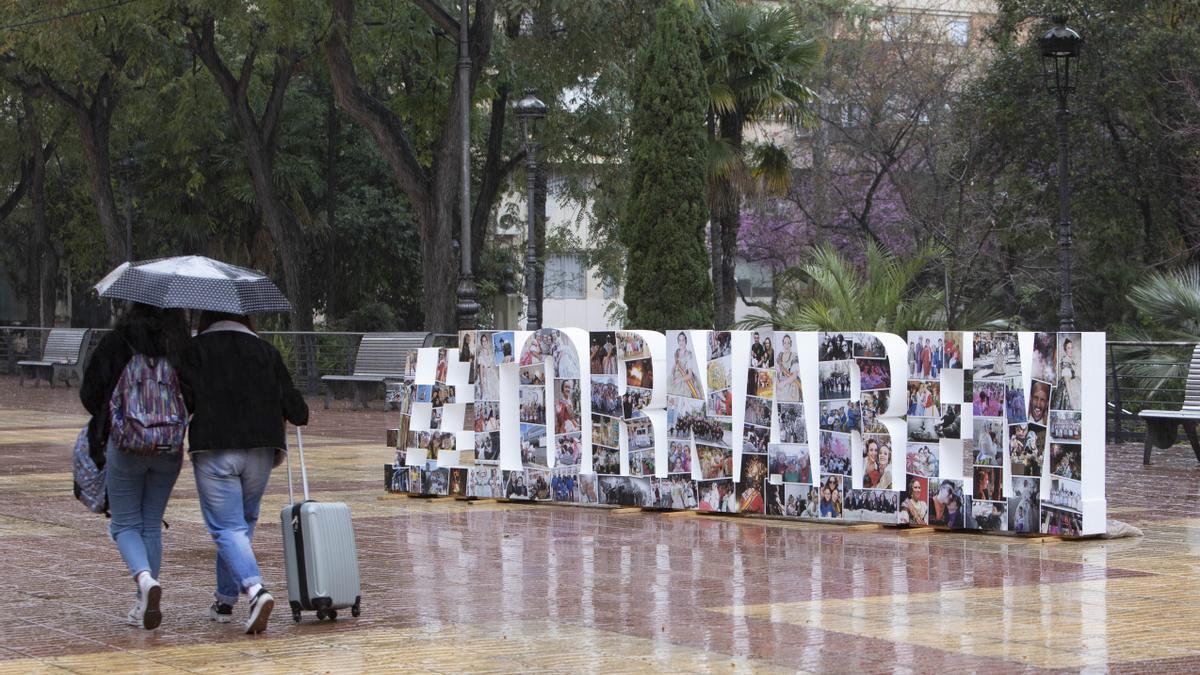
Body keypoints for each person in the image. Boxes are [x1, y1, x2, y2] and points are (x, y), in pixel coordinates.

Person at [178, 311, 309, 634]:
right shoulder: (266, 351)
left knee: (226, 527)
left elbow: (185, 400)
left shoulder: (196, 351)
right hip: (262, 449)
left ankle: (255, 590)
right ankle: (224, 601)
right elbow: (298, 411)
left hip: (215, 448)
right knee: (242, 524)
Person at [81, 303, 190, 630]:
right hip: (168, 448)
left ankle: (144, 582)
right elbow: (193, 396)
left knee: (124, 524)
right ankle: (144, 600)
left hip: (126, 444)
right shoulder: (180, 347)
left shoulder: (118, 342)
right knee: (151, 523)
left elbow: (89, 394)